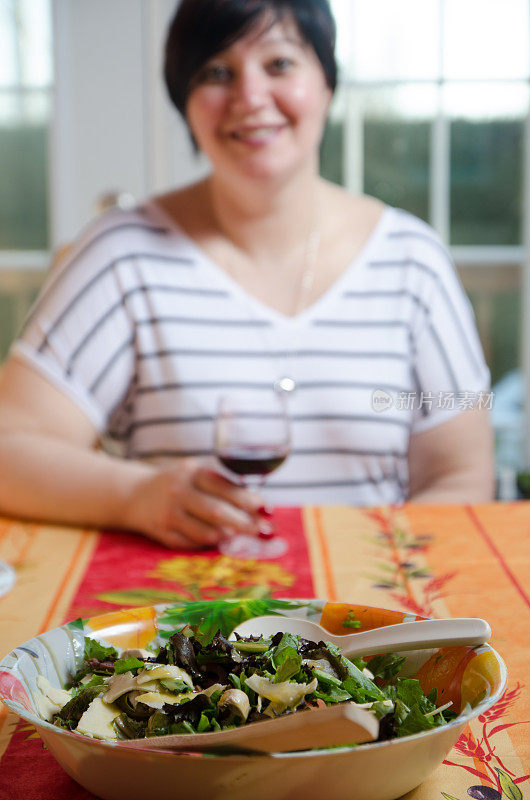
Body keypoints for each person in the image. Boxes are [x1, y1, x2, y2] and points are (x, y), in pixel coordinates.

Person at [0, 0, 494, 550]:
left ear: (327, 83)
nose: (250, 97)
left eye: (279, 64)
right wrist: (136, 494)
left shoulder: (413, 260)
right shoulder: (122, 254)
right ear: (184, 101)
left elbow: (462, 476)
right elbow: (8, 448)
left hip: (365, 616)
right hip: (186, 622)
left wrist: (365, 576)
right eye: (216, 72)